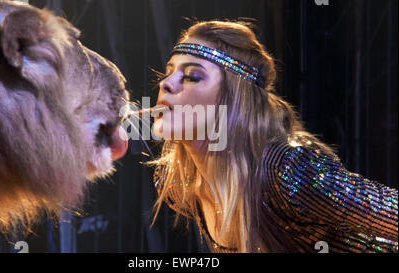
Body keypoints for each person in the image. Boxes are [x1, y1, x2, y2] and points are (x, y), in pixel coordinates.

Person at [149, 20, 398, 253]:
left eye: (192, 76)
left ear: (233, 99)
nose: (166, 84)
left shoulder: (288, 169)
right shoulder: (178, 182)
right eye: (168, 72)